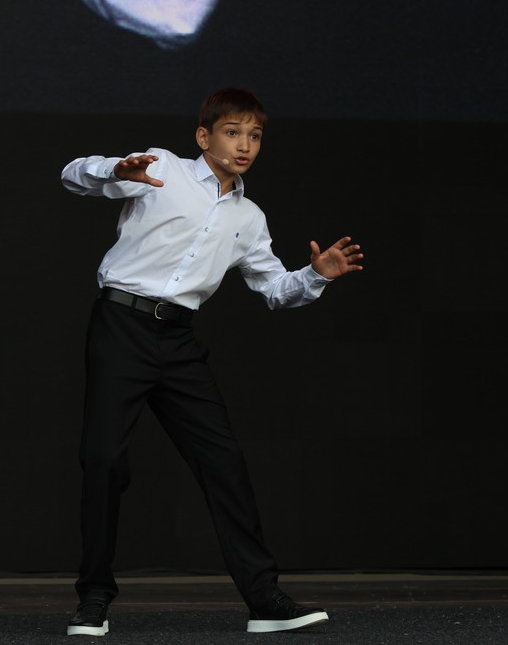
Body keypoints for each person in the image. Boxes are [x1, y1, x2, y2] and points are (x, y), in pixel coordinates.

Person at [59, 87, 364, 637]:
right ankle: (94, 598)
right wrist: (115, 169)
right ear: (204, 137)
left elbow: (274, 289)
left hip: (178, 340)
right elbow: (72, 176)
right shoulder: (162, 169)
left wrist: (316, 275)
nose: (245, 145)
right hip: (121, 325)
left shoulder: (249, 217)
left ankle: (264, 600)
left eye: (255, 136)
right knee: (103, 460)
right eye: (232, 132)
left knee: (224, 464)